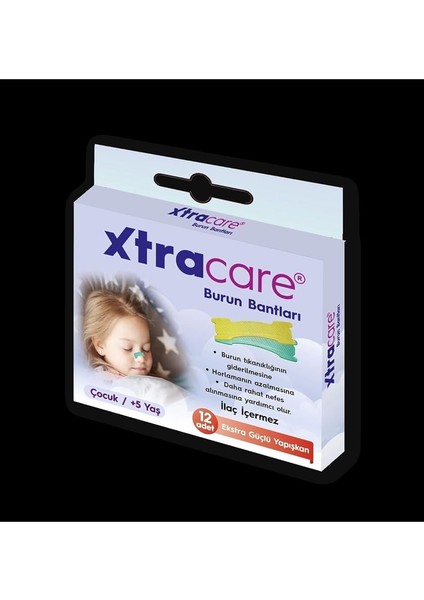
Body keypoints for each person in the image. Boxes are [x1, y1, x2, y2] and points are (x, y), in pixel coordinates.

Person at [83, 288, 188, 406]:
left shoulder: (152, 383)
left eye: (146, 349)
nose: (140, 358)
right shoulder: (97, 385)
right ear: (100, 345)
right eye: (127, 348)